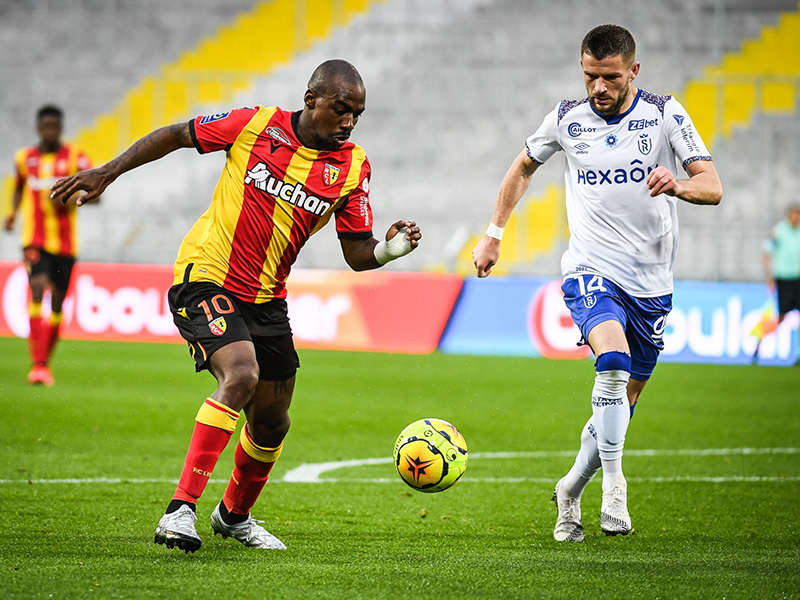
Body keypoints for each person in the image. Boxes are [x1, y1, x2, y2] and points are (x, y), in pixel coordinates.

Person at [51, 59, 421, 553]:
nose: (349, 122)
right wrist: (108, 171)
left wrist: (389, 250)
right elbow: (176, 135)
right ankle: (179, 510)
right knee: (241, 375)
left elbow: (356, 251)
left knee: (272, 420)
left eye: (357, 114)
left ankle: (233, 516)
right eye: (341, 109)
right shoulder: (255, 125)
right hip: (206, 277)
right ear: (311, 100)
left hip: (267, 298)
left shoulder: (353, 167)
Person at [473, 25, 722, 541]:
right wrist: (493, 234)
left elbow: (712, 186)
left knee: (622, 403)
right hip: (590, 270)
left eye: (610, 77)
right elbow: (522, 168)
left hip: (651, 283)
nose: (598, 88)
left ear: (633, 70)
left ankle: (570, 488)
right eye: (590, 76)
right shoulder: (567, 119)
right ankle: (614, 487)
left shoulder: (665, 114)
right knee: (612, 360)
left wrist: (677, 184)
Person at [5, 105, 96, 386]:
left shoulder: (76, 157)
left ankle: (44, 364)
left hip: (66, 245)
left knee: (57, 303)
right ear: (38, 128)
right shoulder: (24, 158)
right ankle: (37, 364)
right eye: (46, 126)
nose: (50, 131)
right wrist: (13, 213)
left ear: (61, 128)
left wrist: (70, 197)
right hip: (34, 239)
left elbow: (96, 193)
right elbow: (19, 186)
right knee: (36, 288)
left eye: (55, 126)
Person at [762, 203, 800, 325]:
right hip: (784, 278)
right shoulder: (779, 231)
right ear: (789, 215)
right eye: (794, 214)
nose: (797, 217)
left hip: (798, 277)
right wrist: (769, 276)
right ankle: (770, 335)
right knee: (782, 314)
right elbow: (766, 251)